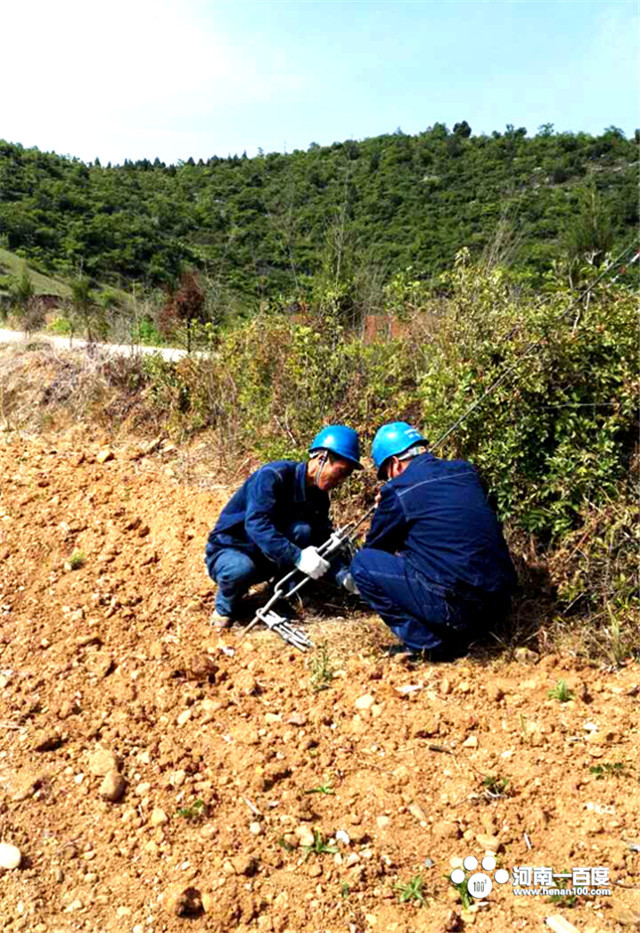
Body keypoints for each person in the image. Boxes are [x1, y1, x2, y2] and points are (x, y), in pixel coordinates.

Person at [349, 422, 517, 659]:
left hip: (457, 610)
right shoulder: (466, 471)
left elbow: (377, 549)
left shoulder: (397, 490)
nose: (388, 481)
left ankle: (429, 646)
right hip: (500, 606)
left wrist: (386, 507)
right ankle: (465, 631)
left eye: (386, 475)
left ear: (395, 464)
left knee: (363, 564)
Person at [205, 426, 362, 628]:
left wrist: (344, 575)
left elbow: (321, 537)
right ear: (322, 458)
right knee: (240, 569)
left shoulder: (320, 497)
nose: (341, 481)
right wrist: (298, 557)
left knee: (304, 530)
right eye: (340, 472)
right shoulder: (273, 476)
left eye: (346, 475)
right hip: (232, 549)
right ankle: (225, 608)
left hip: (269, 555)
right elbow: (256, 524)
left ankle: (283, 590)